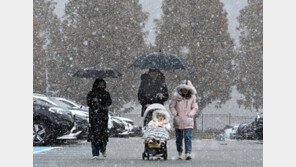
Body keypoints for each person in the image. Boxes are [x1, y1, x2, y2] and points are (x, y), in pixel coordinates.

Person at [169, 80, 198, 160]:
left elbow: (195, 107)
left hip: (188, 121)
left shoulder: (193, 97)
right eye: (183, 89)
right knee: (179, 138)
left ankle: (188, 153)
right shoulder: (176, 97)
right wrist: (175, 113)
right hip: (178, 120)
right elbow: (172, 106)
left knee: (188, 137)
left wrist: (190, 114)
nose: (185, 91)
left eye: (186, 89)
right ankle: (180, 152)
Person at [86, 78, 112, 160]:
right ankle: (95, 153)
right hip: (94, 117)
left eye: (103, 84)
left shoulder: (106, 93)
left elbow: (109, 102)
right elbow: (89, 103)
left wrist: (103, 105)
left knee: (102, 135)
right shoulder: (91, 93)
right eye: (100, 84)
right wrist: (95, 104)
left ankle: (103, 148)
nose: (101, 86)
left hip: (103, 117)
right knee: (94, 136)